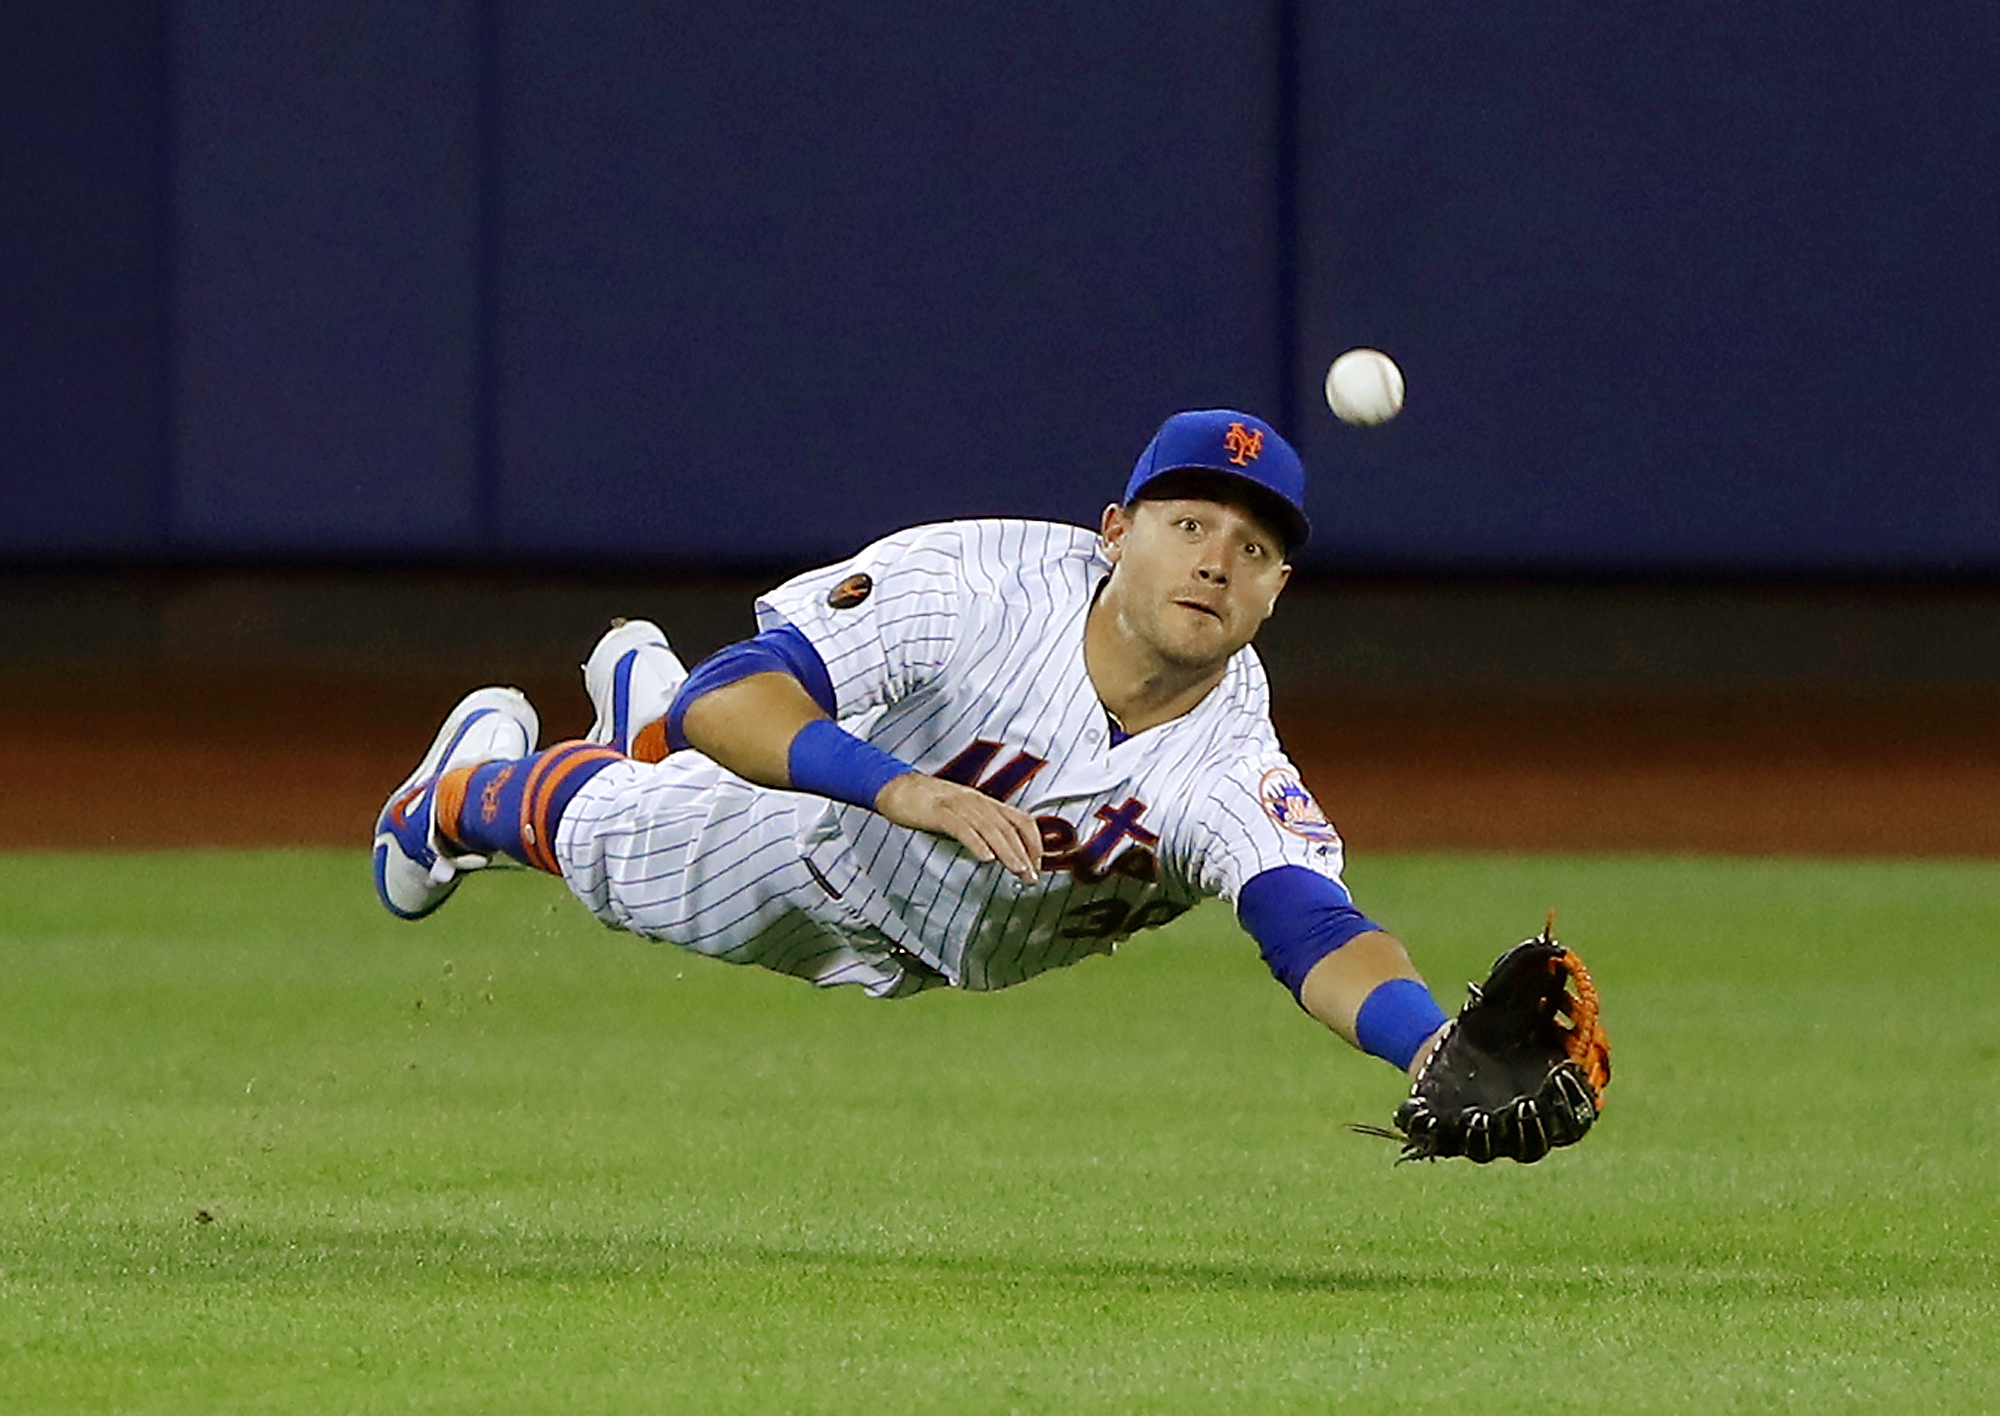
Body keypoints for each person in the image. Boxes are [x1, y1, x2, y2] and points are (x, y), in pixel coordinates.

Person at [371, 409, 1452, 1082]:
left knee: (673, 748)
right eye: (1187, 525)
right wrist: (900, 792)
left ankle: (634, 723)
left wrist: (1429, 1044)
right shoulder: (971, 586)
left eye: (1251, 546)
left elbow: (1312, 928)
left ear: (1276, 590)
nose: (1215, 560)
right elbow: (732, 695)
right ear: (1115, 535)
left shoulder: (1232, 764)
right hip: (806, 844)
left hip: (939, 942)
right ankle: (445, 801)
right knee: (608, 836)